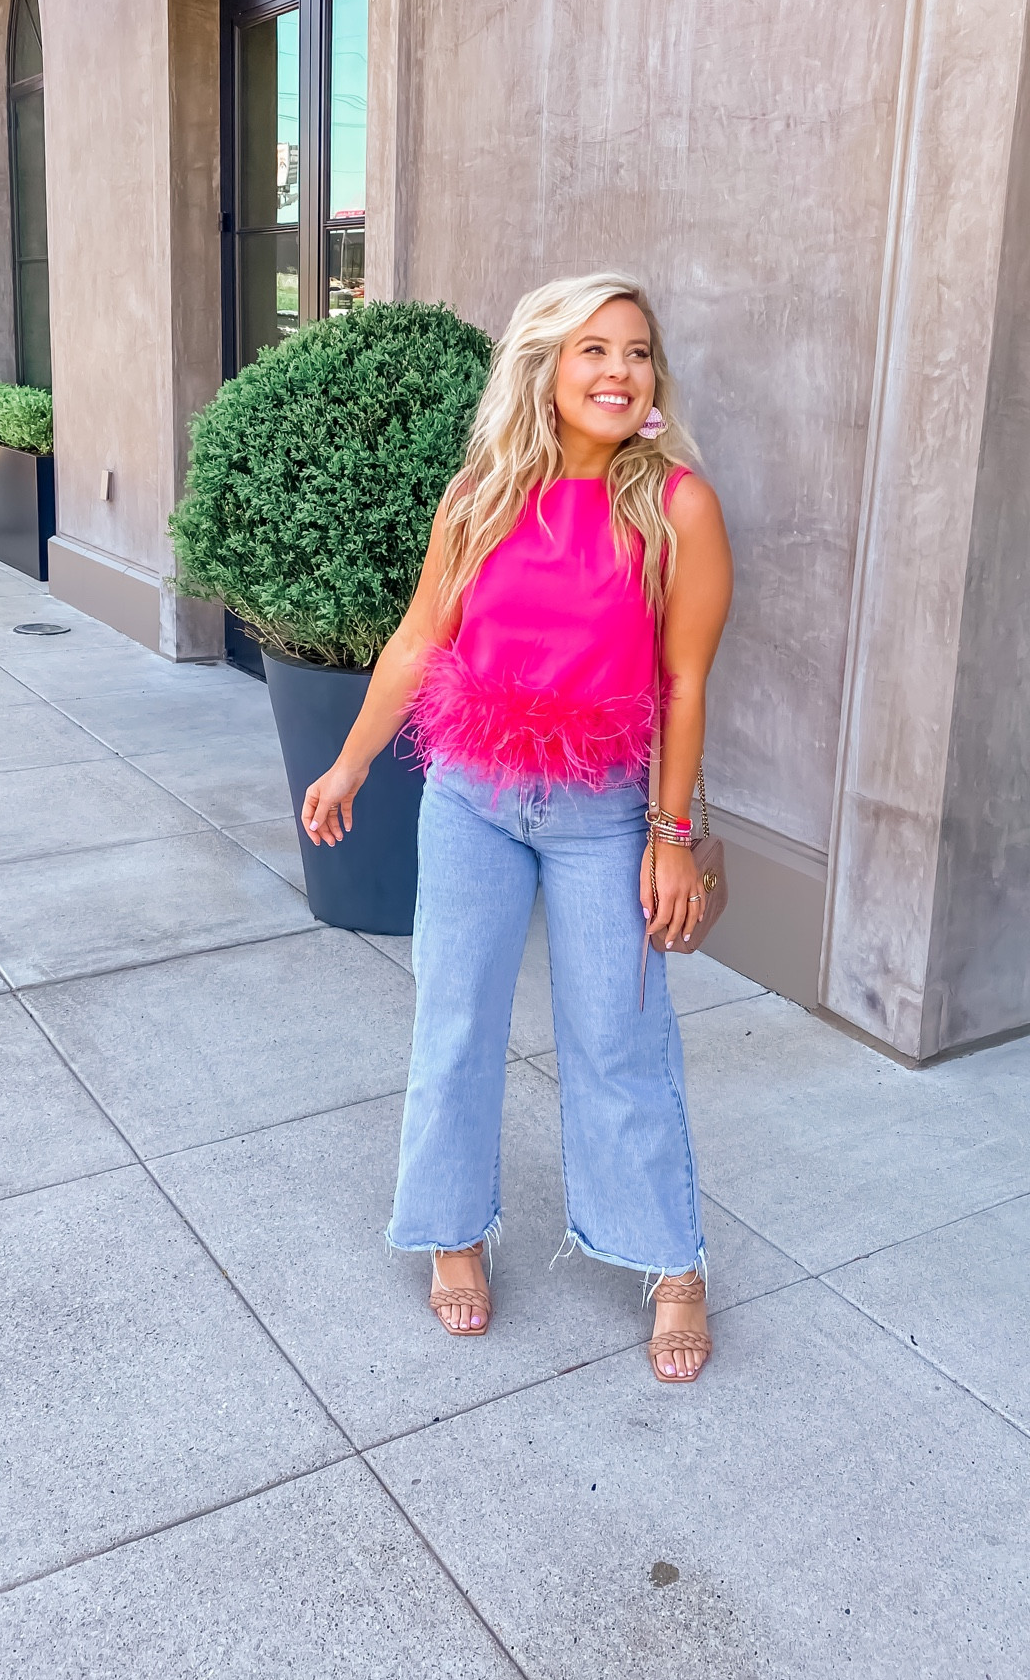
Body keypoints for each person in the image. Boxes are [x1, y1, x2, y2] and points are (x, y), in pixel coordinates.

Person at [301, 274, 734, 1384]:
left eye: (637, 351)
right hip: (471, 796)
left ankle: (670, 1259)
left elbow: (684, 684)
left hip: (601, 809)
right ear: (544, 366)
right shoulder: (483, 494)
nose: (618, 370)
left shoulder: (674, 503)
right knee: (454, 1024)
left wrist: (671, 832)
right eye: (592, 348)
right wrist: (349, 760)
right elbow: (413, 642)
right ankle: (452, 1231)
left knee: (620, 1039)